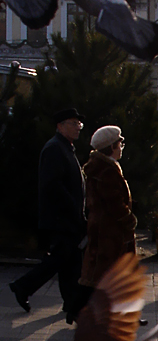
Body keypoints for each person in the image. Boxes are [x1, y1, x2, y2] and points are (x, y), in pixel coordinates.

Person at [9, 107, 86, 323]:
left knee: (69, 262)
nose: (78, 127)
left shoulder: (65, 148)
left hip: (67, 218)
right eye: (73, 123)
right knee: (62, 260)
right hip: (61, 219)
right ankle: (22, 286)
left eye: (79, 124)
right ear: (60, 126)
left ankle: (71, 305)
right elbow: (52, 185)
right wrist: (73, 208)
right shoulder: (54, 149)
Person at [79, 126, 137, 300]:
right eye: (119, 145)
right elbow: (113, 202)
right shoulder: (107, 170)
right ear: (111, 146)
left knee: (101, 273)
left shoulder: (104, 167)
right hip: (110, 231)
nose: (121, 148)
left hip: (105, 228)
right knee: (108, 273)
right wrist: (128, 219)